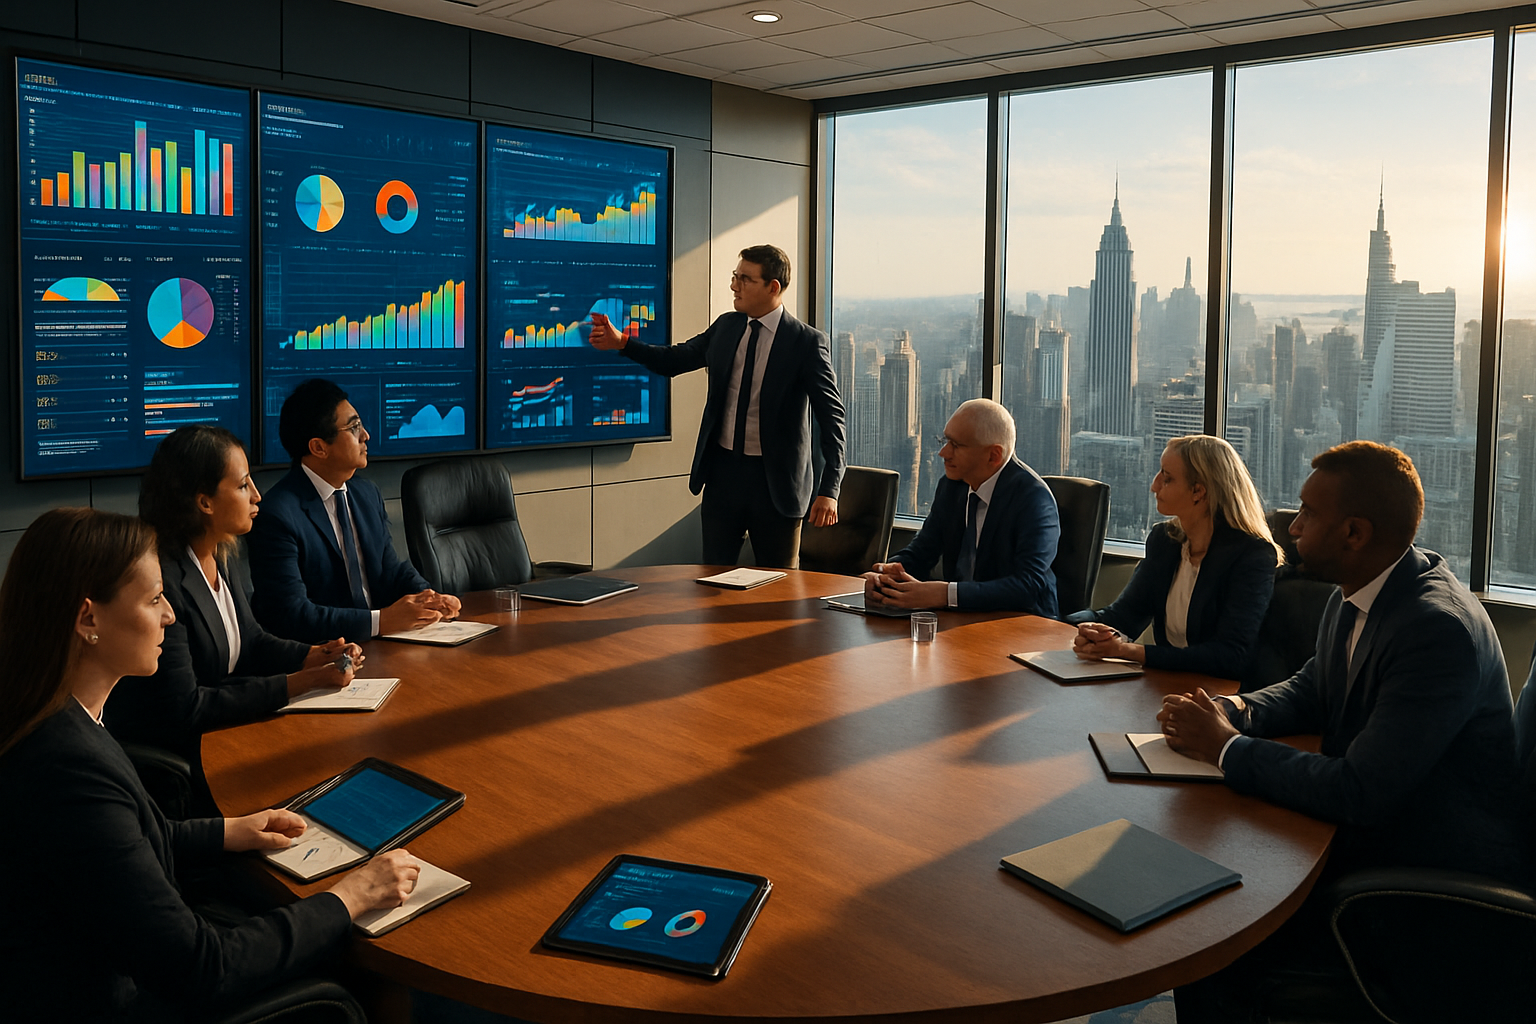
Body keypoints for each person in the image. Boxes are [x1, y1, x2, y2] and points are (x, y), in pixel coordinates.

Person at [0, 507, 419, 1023]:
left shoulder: (52, 717)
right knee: (362, 978)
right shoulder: (67, 768)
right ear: (89, 618)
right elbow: (201, 968)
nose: (171, 616)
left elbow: (119, 848)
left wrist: (229, 831)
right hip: (120, 1001)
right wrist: (350, 896)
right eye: (155, 600)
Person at [1158, 442, 1524, 1022]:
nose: (1293, 526)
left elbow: (1361, 791)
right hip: (1366, 837)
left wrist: (1224, 747)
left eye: (1307, 513)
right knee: (1202, 878)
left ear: (1353, 533)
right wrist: (1235, 710)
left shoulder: (1436, 631)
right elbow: (1311, 689)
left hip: (1417, 884)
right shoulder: (1362, 592)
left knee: (1208, 929)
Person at [106, 425, 364, 780]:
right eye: (243, 485)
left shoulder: (220, 552)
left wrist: (313, 655)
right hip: (179, 762)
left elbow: (252, 641)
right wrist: (301, 682)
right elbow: (187, 708)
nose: (258, 496)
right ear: (204, 502)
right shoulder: (160, 579)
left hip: (226, 734)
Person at [588, 244, 846, 568]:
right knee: (713, 581)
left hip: (777, 487)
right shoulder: (727, 327)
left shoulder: (806, 342)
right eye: (735, 276)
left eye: (745, 279)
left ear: (773, 287)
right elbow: (675, 359)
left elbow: (833, 421)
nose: (734, 285)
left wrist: (830, 490)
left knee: (779, 592)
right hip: (723, 477)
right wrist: (623, 343)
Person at [247, 378, 460, 644]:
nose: (366, 435)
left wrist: (428, 598)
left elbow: (390, 570)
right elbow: (292, 614)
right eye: (354, 427)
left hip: (382, 645)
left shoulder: (366, 494)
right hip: (326, 655)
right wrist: (381, 621)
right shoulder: (277, 515)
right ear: (318, 447)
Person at [1067, 434, 1282, 678]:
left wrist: (1132, 652)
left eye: (1167, 479)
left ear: (1198, 492)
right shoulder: (1164, 541)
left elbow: (1230, 655)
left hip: (1221, 694)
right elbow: (1125, 616)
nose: (1154, 486)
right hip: (1167, 683)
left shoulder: (1252, 555)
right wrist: (1085, 627)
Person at [862, 399, 1060, 615]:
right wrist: (886, 575)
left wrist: (944, 594)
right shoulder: (951, 486)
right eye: (945, 441)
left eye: (956, 445)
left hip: (1022, 624)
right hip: (958, 618)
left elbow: (1028, 585)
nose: (943, 453)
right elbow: (922, 551)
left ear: (994, 455)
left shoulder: (1034, 499)